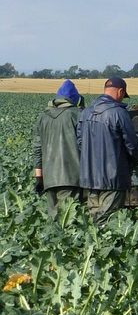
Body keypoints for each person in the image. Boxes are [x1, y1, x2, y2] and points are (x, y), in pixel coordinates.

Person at [77, 76, 138, 224]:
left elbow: (80, 142)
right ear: (120, 91)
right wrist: (132, 163)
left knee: (94, 218)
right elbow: (132, 145)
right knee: (106, 221)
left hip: (90, 178)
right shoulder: (118, 113)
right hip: (113, 178)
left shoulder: (86, 112)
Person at [32, 79, 84, 218]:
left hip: (49, 179)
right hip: (71, 177)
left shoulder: (42, 117)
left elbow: (37, 149)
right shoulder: (77, 114)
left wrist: (39, 177)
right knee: (69, 222)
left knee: (54, 223)